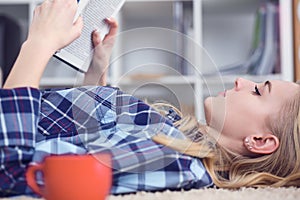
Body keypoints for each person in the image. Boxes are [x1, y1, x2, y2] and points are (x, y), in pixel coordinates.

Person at [0, 0, 300, 197]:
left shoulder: (173, 157)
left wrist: (39, 43)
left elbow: (12, 171)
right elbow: (87, 137)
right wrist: (97, 70)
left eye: (259, 91)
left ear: (260, 141)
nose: (242, 80)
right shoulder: (176, 136)